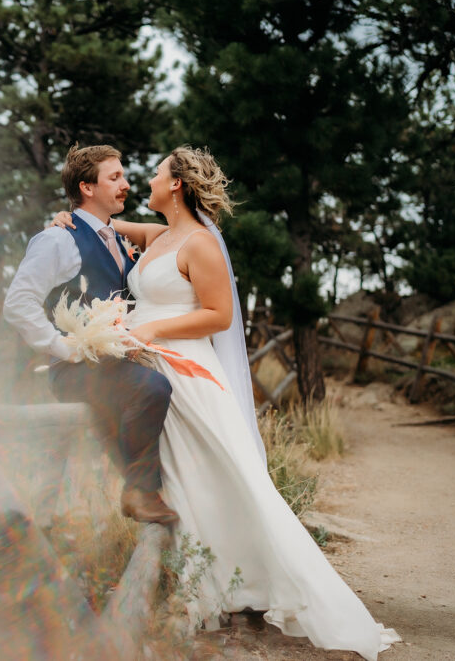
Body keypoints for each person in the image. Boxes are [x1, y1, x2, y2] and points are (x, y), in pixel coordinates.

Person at [49, 146, 400, 661]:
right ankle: (201, 581)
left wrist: (152, 328)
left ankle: (241, 580)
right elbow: (101, 232)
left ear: (177, 185)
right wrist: (64, 220)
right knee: (186, 473)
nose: (147, 180)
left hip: (186, 366)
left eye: (158, 173)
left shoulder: (200, 243)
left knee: (221, 472)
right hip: (153, 361)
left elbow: (217, 315)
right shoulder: (159, 235)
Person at [3, 144, 178, 524]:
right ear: (87, 187)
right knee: (152, 388)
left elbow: (173, 238)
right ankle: (141, 492)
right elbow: (18, 302)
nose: (126, 184)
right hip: (75, 370)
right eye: (115, 177)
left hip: (115, 367)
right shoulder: (57, 240)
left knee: (162, 387)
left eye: (125, 176)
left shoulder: (117, 238)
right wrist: (62, 348)